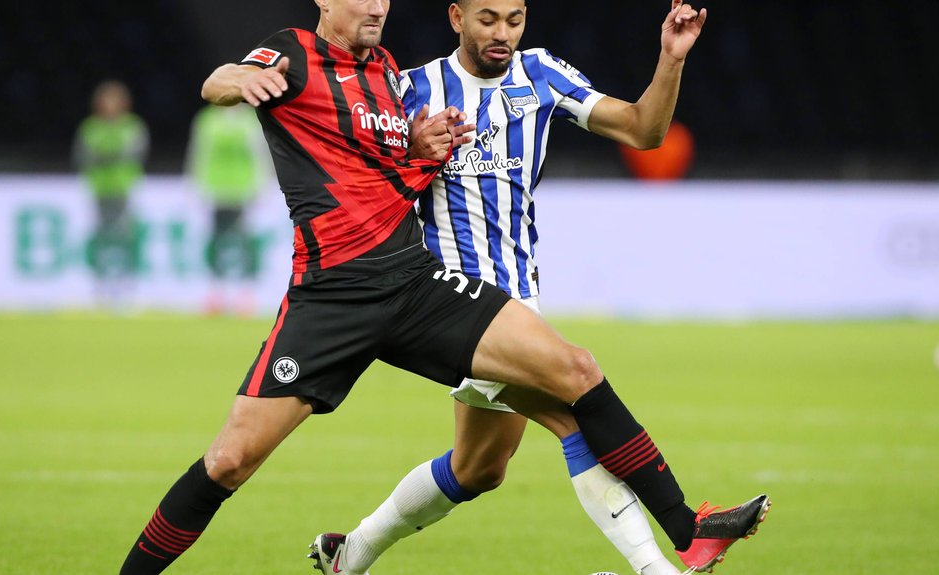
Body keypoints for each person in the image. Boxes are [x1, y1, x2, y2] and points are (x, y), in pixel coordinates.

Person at [117, 2, 765, 574]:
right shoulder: (311, 58)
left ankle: (683, 531)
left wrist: (421, 150)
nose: (376, 8)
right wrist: (238, 79)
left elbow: (391, 175)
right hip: (335, 296)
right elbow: (218, 82)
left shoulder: (389, 77)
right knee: (230, 460)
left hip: (421, 285)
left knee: (543, 405)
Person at [310, 2, 769, 575]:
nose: (502, 33)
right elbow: (359, 187)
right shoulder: (412, 90)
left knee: (480, 467)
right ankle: (674, 550)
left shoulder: (542, 73)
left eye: (514, 18)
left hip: (519, 303)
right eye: (487, 19)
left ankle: (349, 554)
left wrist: (670, 60)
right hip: (451, 306)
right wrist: (410, 154)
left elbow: (643, 131)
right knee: (575, 402)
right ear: (456, 17)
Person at [186, 103, 272, 315]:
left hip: (243, 190)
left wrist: (263, 185)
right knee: (216, 241)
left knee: (245, 241)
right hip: (216, 190)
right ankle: (217, 291)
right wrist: (195, 184)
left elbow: (260, 154)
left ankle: (246, 292)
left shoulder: (250, 120)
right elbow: (198, 153)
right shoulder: (207, 119)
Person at [73, 80, 149, 308]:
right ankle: (100, 283)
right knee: (102, 237)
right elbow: (83, 156)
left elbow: (134, 153)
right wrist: (111, 155)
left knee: (125, 237)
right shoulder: (91, 128)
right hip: (99, 189)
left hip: (124, 188)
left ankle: (127, 285)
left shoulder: (132, 126)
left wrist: (105, 155)